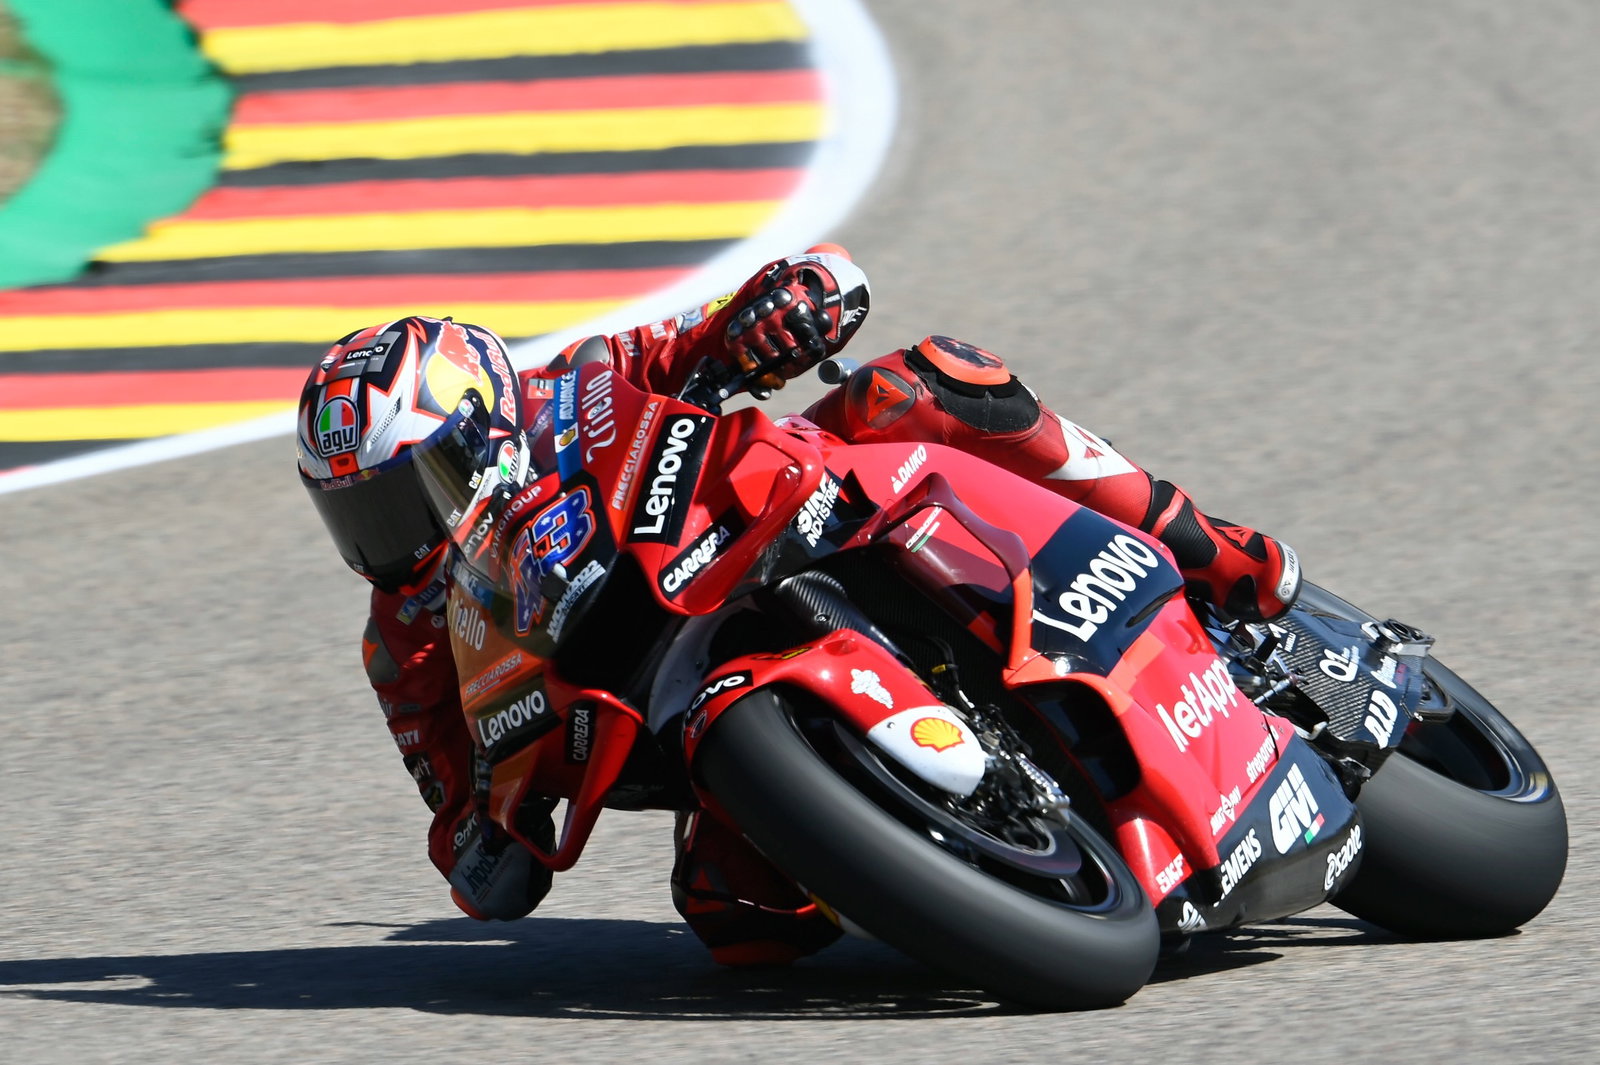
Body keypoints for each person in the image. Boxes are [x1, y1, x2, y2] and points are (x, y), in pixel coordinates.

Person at [296, 246, 1301, 965]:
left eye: (406, 494)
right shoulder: (403, 643)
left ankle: (1211, 549)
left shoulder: (578, 386)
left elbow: (748, 308)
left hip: (774, 520)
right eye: (360, 515)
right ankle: (959, 868)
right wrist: (485, 837)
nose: (392, 538)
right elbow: (456, 826)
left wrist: (793, 302)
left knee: (918, 385)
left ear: (482, 427)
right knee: (736, 920)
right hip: (665, 707)